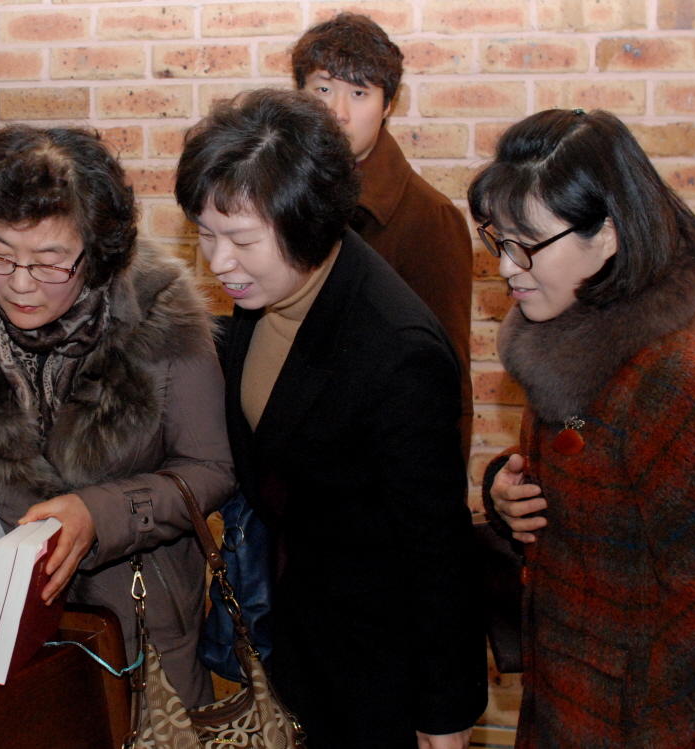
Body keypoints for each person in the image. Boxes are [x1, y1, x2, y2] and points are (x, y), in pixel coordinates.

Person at [0, 124, 233, 708]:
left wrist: (101, 512)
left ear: (96, 254)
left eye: (50, 262)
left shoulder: (162, 314)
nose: (20, 284)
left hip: (139, 628)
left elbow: (211, 468)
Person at [175, 88, 486, 749]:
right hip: (300, 632)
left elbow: (437, 550)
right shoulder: (267, 294)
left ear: (307, 222)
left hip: (376, 666)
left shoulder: (396, 350)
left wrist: (444, 717)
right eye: (204, 234)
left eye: (240, 240)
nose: (218, 262)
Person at [475, 109, 695, 748]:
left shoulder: (673, 378)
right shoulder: (567, 333)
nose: (506, 267)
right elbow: (599, 480)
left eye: (525, 245)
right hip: (563, 699)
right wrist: (506, 493)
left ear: (606, 233)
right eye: (498, 241)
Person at [293, 13, 474, 457]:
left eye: (359, 93)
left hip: (372, 462)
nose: (338, 112)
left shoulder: (429, 218)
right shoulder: (282, 199)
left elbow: (446, 379)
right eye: (323, 89)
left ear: (388, 104)